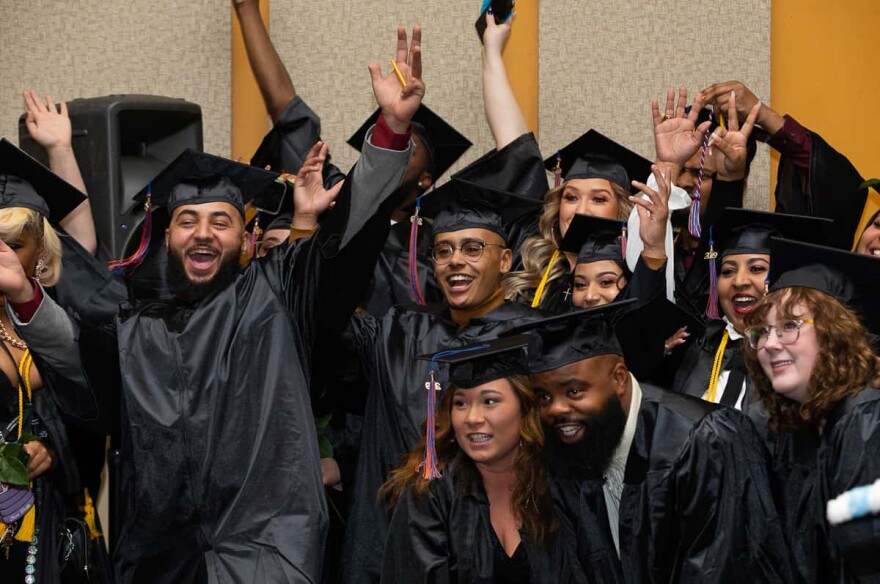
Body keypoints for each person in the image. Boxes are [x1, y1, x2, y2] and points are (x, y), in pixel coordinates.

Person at [62, 25, 425, 582]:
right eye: (187, 220)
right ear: (167, 238)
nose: (203, 233)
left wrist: (391, 131)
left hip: (268, 554)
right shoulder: (135, 324)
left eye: (220, 220)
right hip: (161, 560)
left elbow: (345, 242)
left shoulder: (278, 294)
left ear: (247, 239)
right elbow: (70, 327)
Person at [336, 179, 542, 584]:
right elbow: (321, 313)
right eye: (443, 250)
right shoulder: (398, 329)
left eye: (472, 248)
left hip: (490, 550)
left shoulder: (535, 339)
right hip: (389, 545)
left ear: (504, 261)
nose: (455, 261)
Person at [514, 303, 794, 582]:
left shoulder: (704, 439)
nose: (555, 410)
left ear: (619, 378)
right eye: (543, 397)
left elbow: (728, 564)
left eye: (574, 391)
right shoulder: (571, 451)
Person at [380, 336, 587, 583]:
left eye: (490, 401)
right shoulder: (431, 493)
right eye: (460, 403)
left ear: (525, 408)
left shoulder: (560, 484)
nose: (472, 417)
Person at [742, 237, 880, 582]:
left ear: (837, 334)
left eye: (790, 326)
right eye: (762, 331)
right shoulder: (799, 426)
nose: (770, 344)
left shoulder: (867, 422)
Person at [0, 141, 97, 583]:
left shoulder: (56, 322)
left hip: (52, 522)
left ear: (40, 254)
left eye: (13, 244)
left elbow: (94, 418)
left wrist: (53, 449)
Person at [672, 208, 832, 411]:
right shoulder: (700, 346)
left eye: (756, 269)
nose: (739, 281)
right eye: (728, 271)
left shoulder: (804, 359)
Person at [701, 80, 870, 252]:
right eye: (680, 170)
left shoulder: (749, 260)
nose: (686, 182)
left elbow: (842, 187)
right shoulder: (672, 243)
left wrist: (765, 117)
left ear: (742, 183)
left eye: (702, 175)